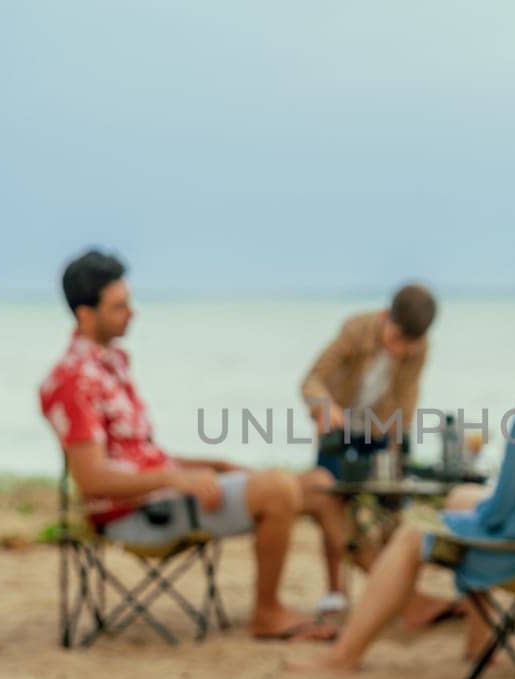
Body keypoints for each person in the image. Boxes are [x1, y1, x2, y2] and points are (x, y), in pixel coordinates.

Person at [292, 280, 515, 673]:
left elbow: (501, 511)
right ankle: (481, 648)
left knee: (416, 529)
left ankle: (343, 656)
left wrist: (459, 522)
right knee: (463, 495)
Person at [40, 248, 343, 642]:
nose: (132, 312)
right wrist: (177, 480)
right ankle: (267, 612)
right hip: (138, 516)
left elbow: (141, 455)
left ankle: (353, 600)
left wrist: (213, 465)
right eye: (119, 306)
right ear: (85, 314)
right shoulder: (72, 380)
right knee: (278, 488)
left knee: (320, 485)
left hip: (165, 495)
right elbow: (94, 480)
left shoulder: (111, 366)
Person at [299, 284, 436, 616]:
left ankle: (394, 593)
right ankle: (336, 592)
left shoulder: (418, 348)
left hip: (381, 431)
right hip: (338, 427)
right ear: (384, 317)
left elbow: (407, 398)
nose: (402, 350)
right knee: (331, 501)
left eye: (410, 344)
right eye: (397, 340)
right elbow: (312, 380)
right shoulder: (355, 330)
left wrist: (396, 444)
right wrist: (324, 407)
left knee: (394, 509)